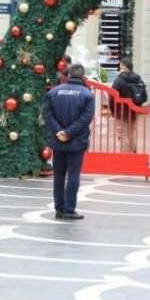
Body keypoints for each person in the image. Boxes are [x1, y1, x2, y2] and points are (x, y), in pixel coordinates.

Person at [43, 64, 94, 220]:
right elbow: (85, 119)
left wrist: (59, 131)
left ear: (68, 75)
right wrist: (69, 132)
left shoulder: (53, 92)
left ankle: (59, 209)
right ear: (83, 76)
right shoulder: (87, 95)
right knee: (73, 175)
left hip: (58, 141)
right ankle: (69, 209)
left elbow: (47, 113)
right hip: (76, 141)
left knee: (58, 176)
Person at [111, 60, 146, 152]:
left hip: (121, 110)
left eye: (120, 66)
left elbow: (112, 95)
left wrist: (112, 110)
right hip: (134, 109)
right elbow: (143, 95)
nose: (119, 68)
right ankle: (133, 152)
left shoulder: (119, 80)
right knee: (131, 132)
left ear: (124, 67)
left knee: (123, 133)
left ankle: (126, 155)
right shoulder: (138, 78)